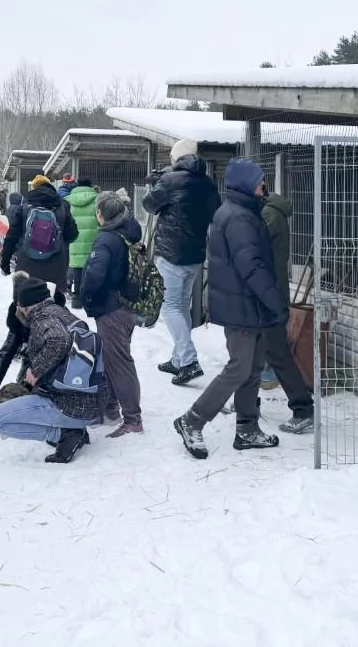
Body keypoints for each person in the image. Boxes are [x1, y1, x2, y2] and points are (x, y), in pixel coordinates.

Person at [172, 159, 283, 460]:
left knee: (253, 367)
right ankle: (191, 420)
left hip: (249, 304)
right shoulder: (237, 218)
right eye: (260, 180)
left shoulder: (243, 211)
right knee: (239, 368)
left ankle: (247, 428)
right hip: (242, 305)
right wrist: (274, 301)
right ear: (247, 183)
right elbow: (251, 267)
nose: (264, 185)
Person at [0, 277, 106, 464]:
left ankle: (64, 434)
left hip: (67, 405)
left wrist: (35, 370)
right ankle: (71, 430)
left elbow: (58, 341)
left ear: (25, 306)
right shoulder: (62, 313)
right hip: (91, 402)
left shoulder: (42, 318)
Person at [143, 138, 221, 385]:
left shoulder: (170, 180)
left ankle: (188, 361)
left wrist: (157, 184)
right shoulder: (208, 183)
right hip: (195, 255)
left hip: (172, 254)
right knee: (182, 306)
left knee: (170, 307)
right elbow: (215, 211)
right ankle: (178, 359)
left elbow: (148, 205)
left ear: (177, 159)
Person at [78, 190, 144, 438]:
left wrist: (86, 297)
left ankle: (132, 418)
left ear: (101, 215)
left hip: (111, 308)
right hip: (125, 305)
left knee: (119, 362)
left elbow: (95, 276)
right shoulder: (128, 232)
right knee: (111, 359)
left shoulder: (106, 239)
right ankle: (109, 408)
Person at [257, 185, 315, 434]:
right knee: (249, 351)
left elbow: (253, 248)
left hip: (269, 294)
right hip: (265, 292)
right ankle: (246, 401)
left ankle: (303, 409)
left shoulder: (269, 215)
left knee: (277, 352)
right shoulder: (267, 212)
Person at [0, 175, 79, 306]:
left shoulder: (24, 206)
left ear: (34, 188)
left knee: (25, 303)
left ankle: (26, 325)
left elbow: (11, 236)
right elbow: (73, 234)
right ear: (50, 186)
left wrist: (5, 261)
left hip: (27, 263)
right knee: (56, 303)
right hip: (57, 265)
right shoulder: (63, 206)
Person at [65, 178, 99, 309]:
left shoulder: (68, 200)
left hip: (74, 238)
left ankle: (76, 297)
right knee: (91, 268)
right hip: (92, 237)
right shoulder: (97, 199)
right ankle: (89, 298)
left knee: (77, 268)